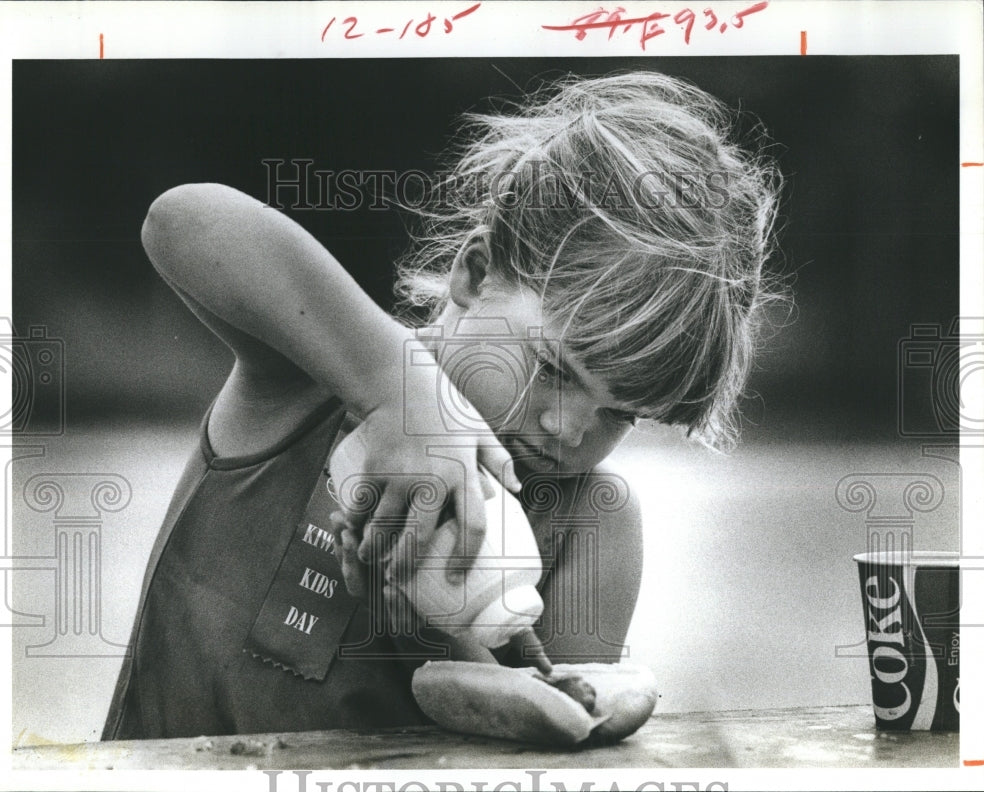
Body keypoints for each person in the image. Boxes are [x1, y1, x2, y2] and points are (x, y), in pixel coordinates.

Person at [102, 71, 781, 740]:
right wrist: (399, 394)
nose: (566, 428)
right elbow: (181, 220)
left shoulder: (590, 526)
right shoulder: (313, 377)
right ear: (476, 272)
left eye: (619, 414)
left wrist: (430, 630)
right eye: (553, 369)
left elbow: (556, 744)